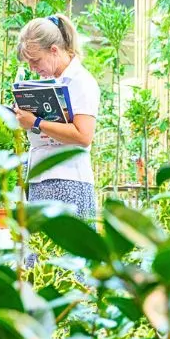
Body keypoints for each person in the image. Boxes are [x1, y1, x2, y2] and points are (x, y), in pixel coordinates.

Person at [14, 14, 100, 219]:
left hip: (68, 180)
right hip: (40, 178)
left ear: (54, 50)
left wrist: (36, 122)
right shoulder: (50, 82)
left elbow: (83, 135)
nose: (33, 68)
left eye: (35, 61)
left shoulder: (81, 82)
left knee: (63, 250)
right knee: (41, 249)